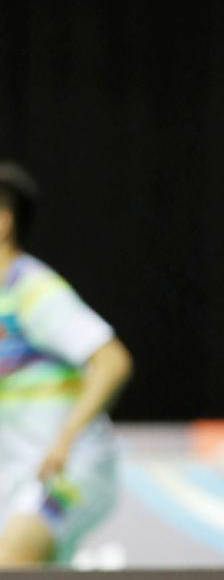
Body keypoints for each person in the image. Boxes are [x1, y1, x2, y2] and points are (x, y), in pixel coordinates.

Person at [0, 162, 133, 566]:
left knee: (11, 558)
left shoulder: (32, 289)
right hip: (20, 475)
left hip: (66, 471)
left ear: (5, 219)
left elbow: (113, 361)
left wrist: (65, 439)